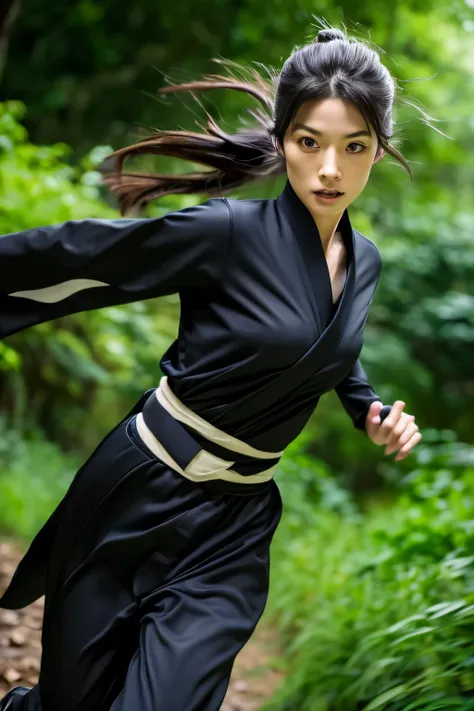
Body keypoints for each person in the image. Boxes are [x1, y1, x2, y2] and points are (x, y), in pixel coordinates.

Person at [0, 24, 424, 711]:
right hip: (135, 494)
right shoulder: (228, 233)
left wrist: (369, 411)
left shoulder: (365, 259)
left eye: (356, 148)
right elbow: (88, 255)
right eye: (310, 142)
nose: (330, 170)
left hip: (234, 527)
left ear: (380, 150)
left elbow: (330, 349)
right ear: (283, 137)